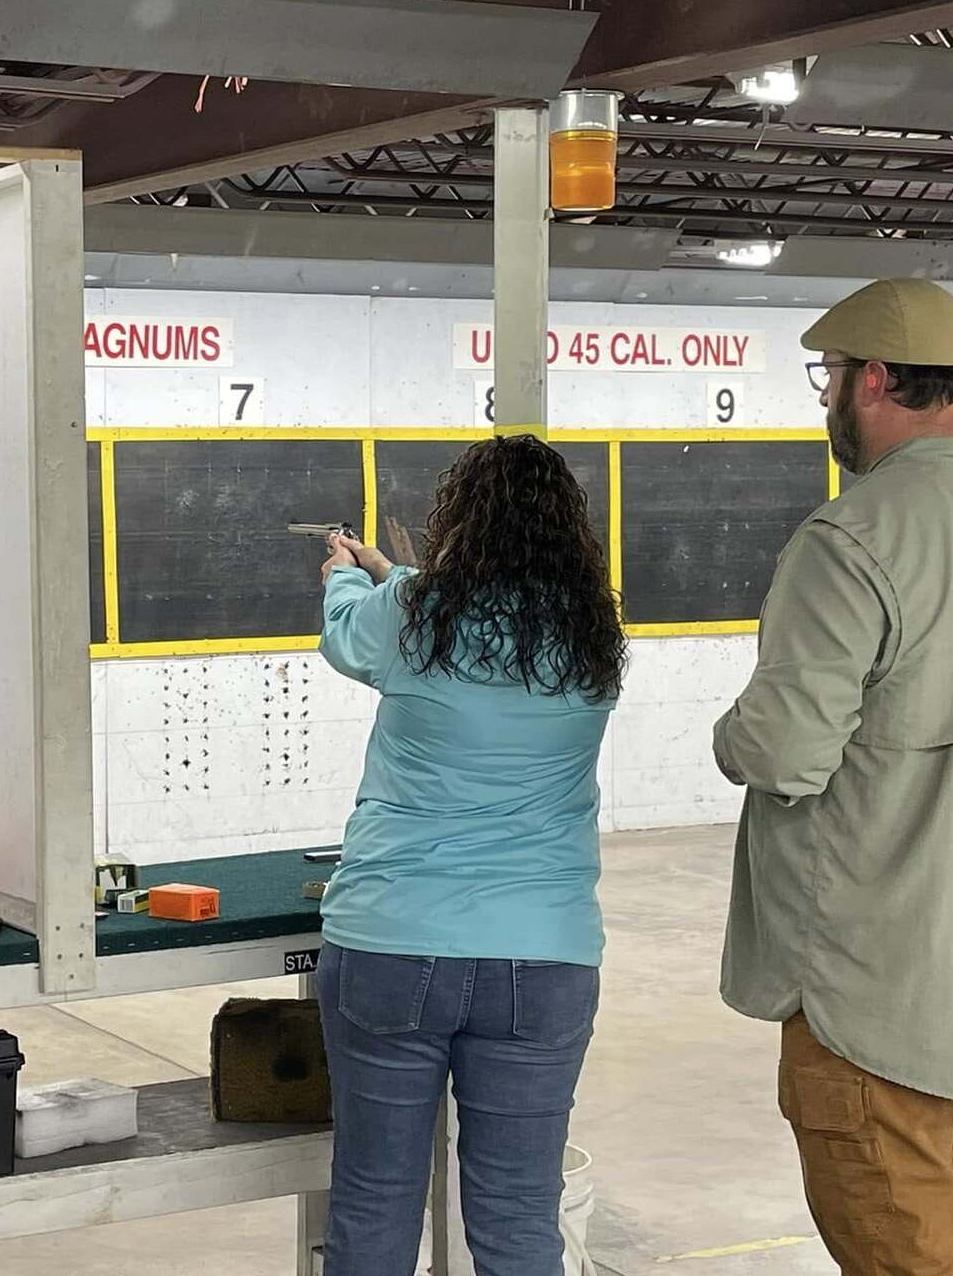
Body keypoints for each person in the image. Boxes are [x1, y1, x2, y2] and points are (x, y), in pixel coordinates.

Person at [713, 279, 953, 1276]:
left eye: (830, 376)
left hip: (873, 986)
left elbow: (784, 750)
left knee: (896, 1241)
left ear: (875, 379)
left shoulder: (852, 538)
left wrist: (731, 733)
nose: (827, 398)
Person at [312, 435, 626, 1276]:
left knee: (374, 1204)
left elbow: (348, 638)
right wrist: (391, 574)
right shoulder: (590, 633)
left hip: (392, 938)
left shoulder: (413, 611)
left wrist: (347, 573)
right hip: (544, 954)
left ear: (460, 519)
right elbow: (481, 629)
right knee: (519, 1218)